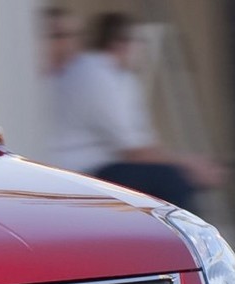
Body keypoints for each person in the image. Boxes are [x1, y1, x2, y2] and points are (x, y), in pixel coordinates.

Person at [46, 13, 221, 211]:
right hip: (80, 169)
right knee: (171, 180)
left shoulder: (122, 78)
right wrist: (188, 165)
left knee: (176, 177)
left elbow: (144, 141)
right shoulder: (95, 74)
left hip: (103, 165)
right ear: (118, 43)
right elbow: (133, 150)